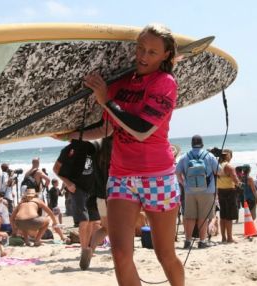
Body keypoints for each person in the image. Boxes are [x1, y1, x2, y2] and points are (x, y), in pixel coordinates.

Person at [56, 24, 183, 285]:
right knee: (120, 253)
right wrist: (70, 135)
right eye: (140, 48)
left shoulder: (165, 83)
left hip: (156, 176)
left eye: (152, 52)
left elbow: (142, 130)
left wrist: (105, 100)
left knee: (164, 253)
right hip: (121, 176)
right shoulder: (123, 84)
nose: (143, 56)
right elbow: (108, 126)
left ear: (165, 56)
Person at [53, 138, 100, 270]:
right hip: (77, 188)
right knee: (84, 221)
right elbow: (56, 169)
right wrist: (68, 183)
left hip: (91, 188)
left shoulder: (92, 147)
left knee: (92, 221)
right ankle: (83, 250)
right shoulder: (69, 149)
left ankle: (87, 249)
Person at [175, 135, 219, 249]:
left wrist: (184, 184)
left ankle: (188, 241)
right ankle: (202, 241)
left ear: (191, 144)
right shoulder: (209, 156)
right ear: (202, 144)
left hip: (190, 191)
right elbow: (218, 171)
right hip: (207, 190)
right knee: (203, 217)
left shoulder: (185, 156)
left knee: (190, 217)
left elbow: (177, 172)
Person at [217, 149, 241, 243]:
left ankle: (223, 237)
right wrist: (240, 184)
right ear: (228, 156)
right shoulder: (229, 166)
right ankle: (230, 238)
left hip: (220, 191)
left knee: (223, 216)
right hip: (229, 192)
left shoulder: (217, 166)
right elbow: (235, 180)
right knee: (229, 217)